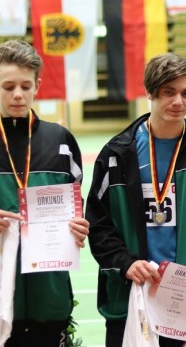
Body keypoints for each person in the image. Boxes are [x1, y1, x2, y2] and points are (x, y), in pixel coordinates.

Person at [86, 53, 186, 347]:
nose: (178, 101)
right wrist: (125, 263)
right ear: (150, 92)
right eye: (168, 92)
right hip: (132, 300)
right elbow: (98, 225)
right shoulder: (116, 155)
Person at [0, 39, 89, 346]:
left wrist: (80, 226)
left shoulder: (59, 140)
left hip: (49, 299)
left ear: (37, 86)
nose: (18, 94)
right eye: (8, 86)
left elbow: (77, 206)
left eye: (25, 86)